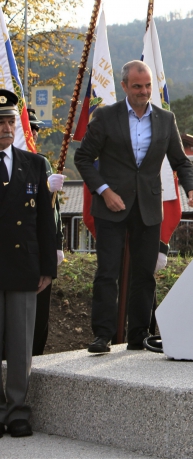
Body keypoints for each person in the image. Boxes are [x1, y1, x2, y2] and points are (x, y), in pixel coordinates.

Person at [75, 60, 193, 353]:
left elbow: (180, 161)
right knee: (108, 272)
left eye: (147, 86)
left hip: (148, 208)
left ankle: (138, 336)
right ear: (124, 87)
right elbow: (83, 159)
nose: (144, 92)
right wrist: (104, 192)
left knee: (144, 274)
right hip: (111, 207)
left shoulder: (165, 119)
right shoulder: (106, 117)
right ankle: (102, 335)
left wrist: (191, 186)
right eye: (137, 86)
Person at [0, 89, 57, 437]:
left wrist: (47, 267)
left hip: (23, 266)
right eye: (0, 122)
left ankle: (17, 409)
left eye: (9, 121)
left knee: (21, 346)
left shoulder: (34, 165)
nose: (5, 127)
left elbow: (44, 223)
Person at [27, 108, 65, 355]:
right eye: (29, 127)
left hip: (40, 251)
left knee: (38, 322)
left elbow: (55, 210)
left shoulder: (41, 163)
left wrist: (58, 243)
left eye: (36, 129)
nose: (34, 133)